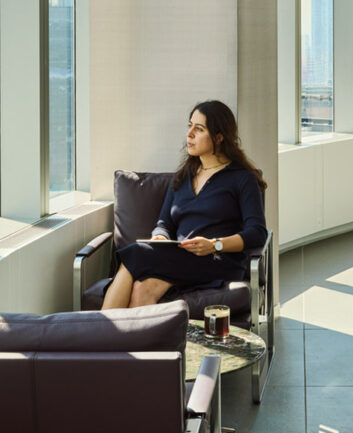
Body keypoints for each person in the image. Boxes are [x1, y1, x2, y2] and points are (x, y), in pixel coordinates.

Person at [101, 100, 268, 310]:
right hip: (181, 260)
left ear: (219, 136)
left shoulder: (242, 179)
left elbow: (257, 233)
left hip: (219, 261)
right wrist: (160, 236)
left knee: (135, 253)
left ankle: (100, 334)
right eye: (189, 126)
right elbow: (164, 222)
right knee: (142, 289)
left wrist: (214, 244)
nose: (189, 134)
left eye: (198, 129)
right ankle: (142, 343)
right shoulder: (182, 178)